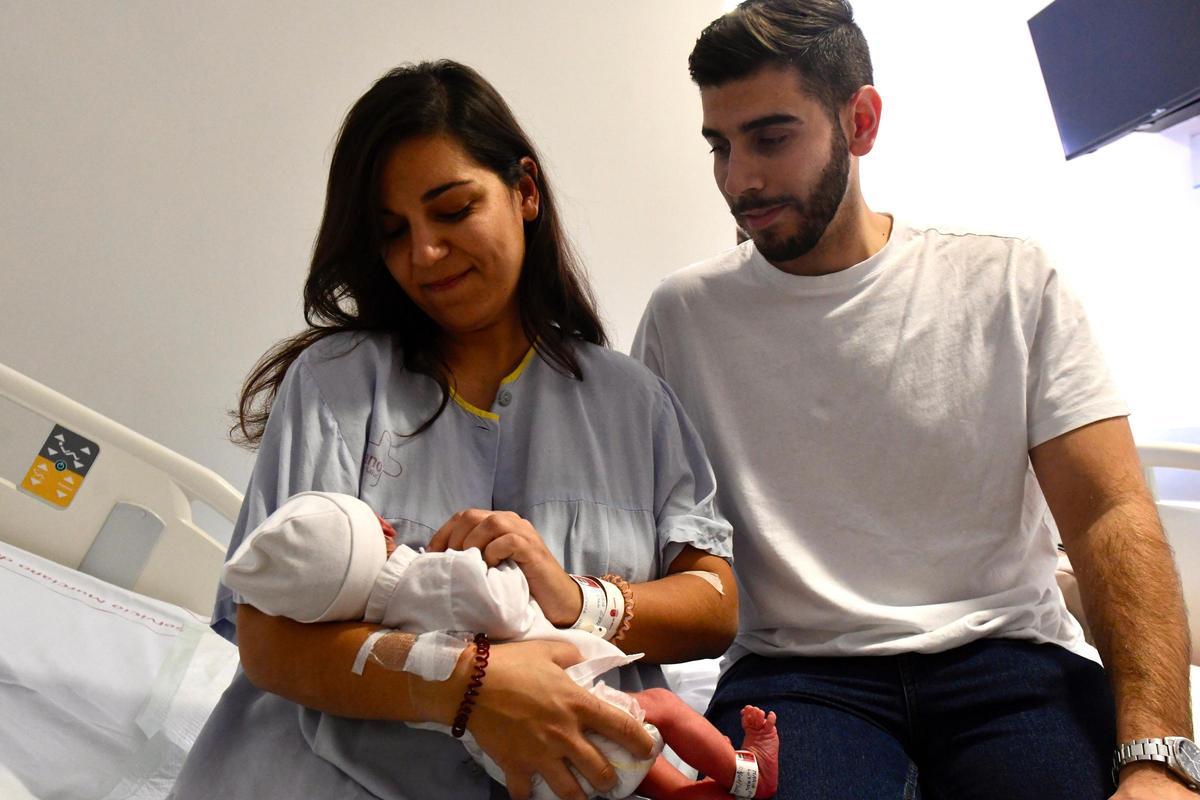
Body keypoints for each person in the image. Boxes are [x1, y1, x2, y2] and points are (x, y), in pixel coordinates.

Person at [631, 2, 1195, 799]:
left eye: (771, 137)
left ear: (859, 121)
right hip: (797, 678)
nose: (738, 178)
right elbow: (643, 534)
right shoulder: (683, 319)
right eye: (720, 146)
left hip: (1008, 660)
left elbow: (1110, 515)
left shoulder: (1008, 283)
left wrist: (1161, 759)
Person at [171, 60, 740, 800]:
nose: (424, 253)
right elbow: (268, 641)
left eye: (452, 209)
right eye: (393, 231)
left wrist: (580, 600)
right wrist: (469, 687)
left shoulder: (634, 403)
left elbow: (714, 605)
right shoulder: (337, 385)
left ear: (525, 192)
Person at [221, 490, 782, 800]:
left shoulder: (374, 625)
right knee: (657, 715)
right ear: (382, 536)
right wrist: (522, 575)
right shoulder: (428, 577)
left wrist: (453, 683)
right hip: (572, 714)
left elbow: (713, 611)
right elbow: (506, 608)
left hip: (517, 768)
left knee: (639, 777)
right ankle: (744, 770)